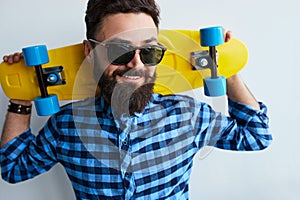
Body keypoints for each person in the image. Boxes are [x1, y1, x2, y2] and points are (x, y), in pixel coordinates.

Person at [0, 0, 272, 199]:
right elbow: (13, 169)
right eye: (120, 50)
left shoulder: (188, 115)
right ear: (90, 52)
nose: (137, 64)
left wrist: (228, 68)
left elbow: (257, 135)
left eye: (150, 52)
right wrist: (22, 95)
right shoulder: (67, 126)